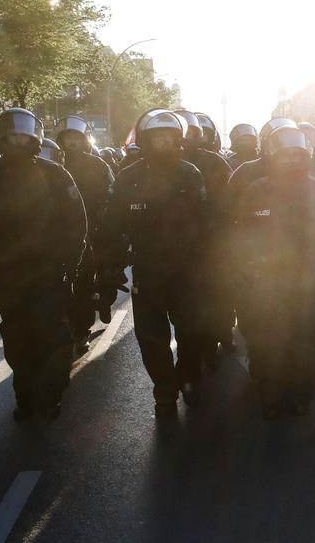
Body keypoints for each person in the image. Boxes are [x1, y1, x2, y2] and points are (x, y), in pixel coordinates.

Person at [0, 108, 87, 420]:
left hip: (49, 271)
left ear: (34, 138)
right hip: (9, 274)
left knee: (51, 335)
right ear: (2, 139)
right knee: (17, 336)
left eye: (23, 135)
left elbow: (76, 221)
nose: (18, 140)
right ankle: (26, 395)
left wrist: (72, 259)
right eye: (12, 135)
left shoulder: (55, 174)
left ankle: (49, 394)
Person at [230, 125, 315, 418]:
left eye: (298, 154)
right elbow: (239, 235)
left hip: (308, 280)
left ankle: (301, 394)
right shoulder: (256, 190)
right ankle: (271, 392)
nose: (292, 160)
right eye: (285, 155)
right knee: (268, 340)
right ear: (273, 157)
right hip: (265, 282)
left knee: (307, 341)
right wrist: (244, 273)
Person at [103, 109, 210, 416]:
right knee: (150, 337)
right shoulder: (128, 177)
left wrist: (211, 265)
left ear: (178, 139)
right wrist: (110, 264)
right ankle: (164, 389)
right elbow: (113, 225)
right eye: (157, 138)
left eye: (169, 137)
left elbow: (206, 223)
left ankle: (189, 376)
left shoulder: (190, 174)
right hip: (147, 272)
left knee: (192, 332)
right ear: (146, 141)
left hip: (188, 271)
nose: (163, 143)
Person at [173, 109, 235, 358]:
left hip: (212, 243)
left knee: (218, 294)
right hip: (175, 249)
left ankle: (219, 334)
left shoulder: (215, 162)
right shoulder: (156, 166)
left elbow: (230, 202)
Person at [54, 116, 116, 355]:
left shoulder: (99, 166)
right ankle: (70, 328)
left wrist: (104, 224)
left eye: (75, 138)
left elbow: (112, 196)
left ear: (84, 140)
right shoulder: (53, 165)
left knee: (95, 280)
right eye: (67, 139)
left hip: (94, 232)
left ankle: (91, 318)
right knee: (66, 286)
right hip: (61, 235)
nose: (71, 143)